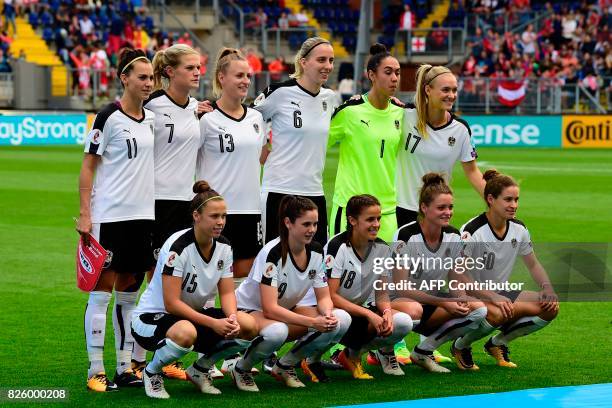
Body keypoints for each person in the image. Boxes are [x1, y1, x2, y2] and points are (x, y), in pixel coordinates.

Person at [131, 182, 258, 399]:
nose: (221, 222)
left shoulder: (224, 247)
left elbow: (227, 293)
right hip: (152, 318)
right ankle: (151, 372)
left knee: (248, 326)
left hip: (191, 319)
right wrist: (213, 323)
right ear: (196, 216)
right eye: (214, 216)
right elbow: (172, 304)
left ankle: (200, 370)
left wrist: (232, 318)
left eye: (224, 216)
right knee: (186, 332)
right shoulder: (178, 248)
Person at [77, 48, 155, 392]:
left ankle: (125, 367)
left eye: (151, 78)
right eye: (142, 77)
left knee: (128, 295)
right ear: (124, 78)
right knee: (101, 294)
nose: (148, 83)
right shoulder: (108, 116)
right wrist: (85, 213)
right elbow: (88, 165)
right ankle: (96, 369)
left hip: (142, 218)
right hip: (110, 217)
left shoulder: (151, 118)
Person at [129, 44, 203, 380]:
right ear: (170, 71)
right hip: (154, 203)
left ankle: (163, 350)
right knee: (147, 278)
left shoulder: (196, 109)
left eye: (199, 67)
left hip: (184, 205)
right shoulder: (153, 106)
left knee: (171, 282)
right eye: (190, 67)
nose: (197, 72)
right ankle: (135, 357)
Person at [231, 196, 351, 392]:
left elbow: (323, 297)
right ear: (288, 223)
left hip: (283, 311)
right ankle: (241, 369)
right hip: (249, 310)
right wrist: (313, 323)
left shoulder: (316, 251)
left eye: (315, 224)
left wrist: (327, 314)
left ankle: (285, 365)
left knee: (340, 319)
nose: (312, 229)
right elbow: (269, 309)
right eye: (306, 224)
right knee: (277, 331)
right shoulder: (273, 253)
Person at [452, 170, 559, 368]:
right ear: (491, 199)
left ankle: (498, 343)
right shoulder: (472, 231)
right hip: (471, 295)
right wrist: (492, 297)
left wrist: (547, 288)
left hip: (500, 293)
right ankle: (460, 346)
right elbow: (458, 276)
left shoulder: (519, 229)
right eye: (508, 199)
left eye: (516, 199)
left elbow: (533, 264)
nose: (514, 205)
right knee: (499, 312)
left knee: (550, 308)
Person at [391, 173, 488, 373]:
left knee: (477, 309)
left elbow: (455, 277)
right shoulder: (406, 235)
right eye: (441, 208)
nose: (447, 212)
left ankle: (423, 352)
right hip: (398, 303)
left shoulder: (453, 236)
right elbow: (401, 287)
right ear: (424, 208)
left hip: (431, 303)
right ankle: (385, 353)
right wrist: (443, 302)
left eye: (450, 207)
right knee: (413, 311)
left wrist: (460, 299)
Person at [253, 37, 337, 245]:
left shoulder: (330, 97)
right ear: (304, 62)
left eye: (331, 60)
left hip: (314, 192)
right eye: (321, 60)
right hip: (280, 191)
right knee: (276, 263)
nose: (328, 66)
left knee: (314, 263)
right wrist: (263, 144)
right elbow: (249, 118)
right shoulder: (279, 93)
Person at [322, 194, 416, 381]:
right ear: (352, 220)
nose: (376, 224)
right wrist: (369, 315)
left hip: (359, 311)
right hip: (334, 310)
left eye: (378, 219)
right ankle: (309, 359)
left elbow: (381, 294)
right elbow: (331, 296)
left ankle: (350, 355)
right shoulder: (337, 246)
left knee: (403, 322)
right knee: (344, 319)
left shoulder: (381, 248)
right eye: (370, 219)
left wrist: (387, 312)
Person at [197, 48, 266, 278]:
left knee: (241, 281)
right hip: (216, 211)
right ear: (221, 77)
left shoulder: (256, 118)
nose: (245, 81)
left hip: (250, 210)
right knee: (206, 280)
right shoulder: (205, 118)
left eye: (247, 76)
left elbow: (258, 157)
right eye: (239, 76)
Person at [328, 43, 404, 242]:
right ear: (371, 75)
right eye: (388, 72)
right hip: (351, 210)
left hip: (386, 211)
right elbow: (316, 144)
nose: (394, 78)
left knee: (383, 272)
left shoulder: (401, 113)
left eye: (397, 72)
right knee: (342, 272)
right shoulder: (349, 112)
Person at [396, 64, 484, 229]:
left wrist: (494, 201)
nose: (451, 95)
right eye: (445, 90)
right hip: (399, 209)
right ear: (428, 90)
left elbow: (472, 172)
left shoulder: (461, 129)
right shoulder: (404, 115)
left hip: (436, 213)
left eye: (454, 90)